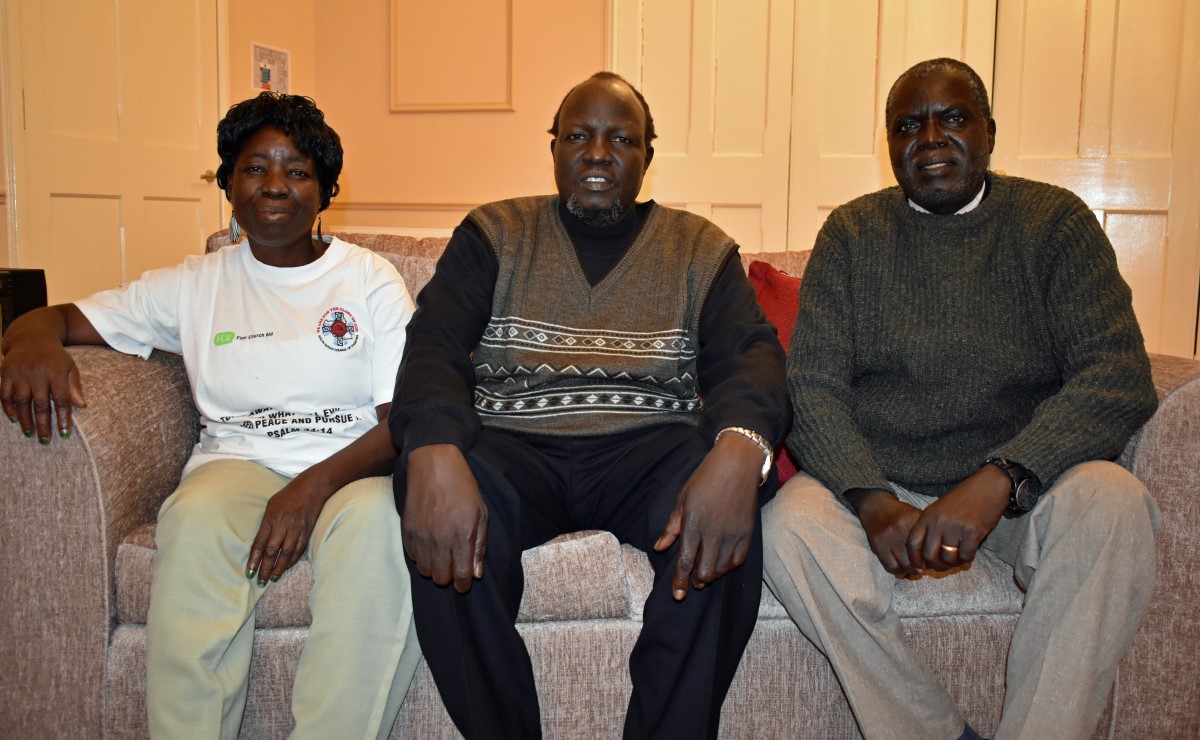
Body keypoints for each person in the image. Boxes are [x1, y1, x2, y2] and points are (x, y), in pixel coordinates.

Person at [0, 92, 420, 739]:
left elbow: (405, 421)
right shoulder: (195, 284)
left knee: (380, 530)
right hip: (235, 463)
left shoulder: (369, 279)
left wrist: (308, 491)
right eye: (254, 168)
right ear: (228, 183)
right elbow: (58, 318)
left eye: (297, 170)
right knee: (192, 520)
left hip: (351, 465)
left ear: (326, 189)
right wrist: (30, 342)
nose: (274, 185)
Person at [762, 58, 1160, 740]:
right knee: (787, 528)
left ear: (990, 132)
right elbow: (813, 387)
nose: (931, 138)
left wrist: (1001, 479)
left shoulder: (1053, 225)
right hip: (884, 483)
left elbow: (1118, 373)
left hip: (1017, 493)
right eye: (908, 125)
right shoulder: (853, 234)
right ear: (890, 144)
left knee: (1117, 503)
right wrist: (868, 497)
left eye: (953, 118)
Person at [389, 71, 789, 739]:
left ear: (646, 157)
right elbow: (433, 344)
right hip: (514, 446)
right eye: (579, 135)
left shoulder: (699, 248)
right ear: (552, 148)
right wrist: (430, 444)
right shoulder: (495, 233)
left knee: (723, 522)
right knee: (432, 489)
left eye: (621, 138)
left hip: (650, 449)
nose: (598, 152)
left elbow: (751, 355)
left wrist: (742, 447)